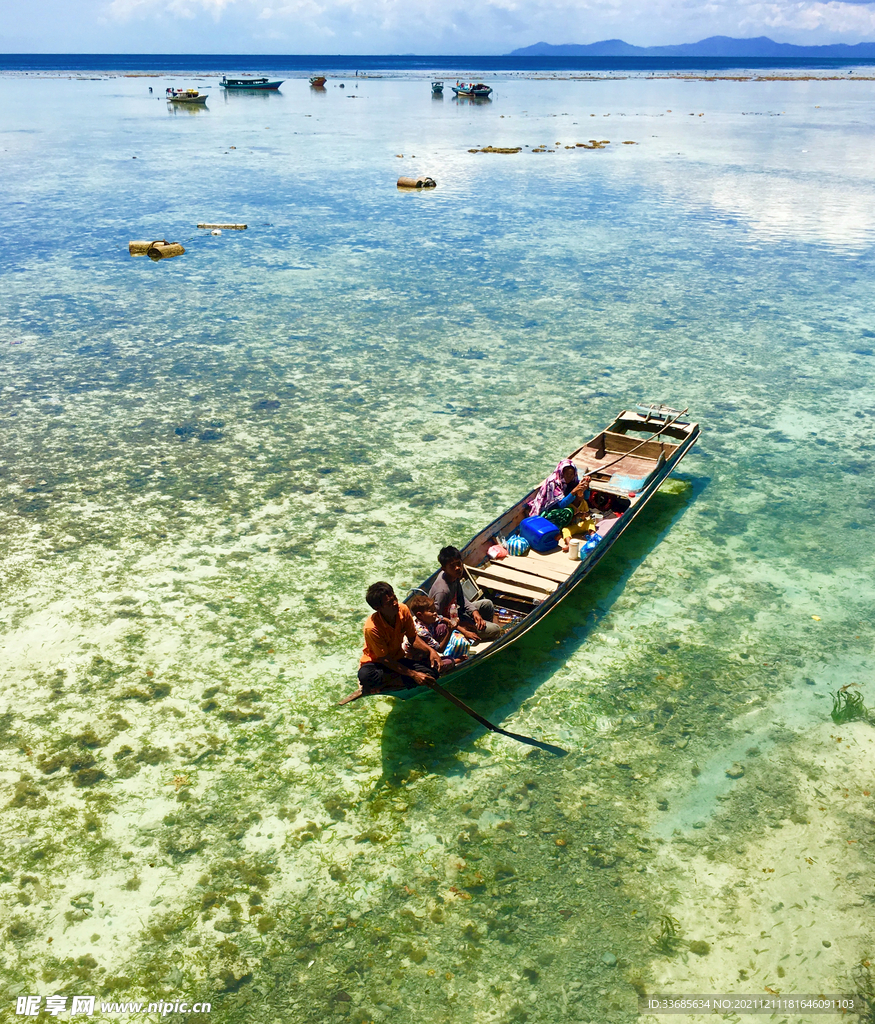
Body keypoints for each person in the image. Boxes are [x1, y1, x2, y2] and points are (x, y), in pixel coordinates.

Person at [358, 582, 441, 694]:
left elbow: (413, 638)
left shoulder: (403, 610)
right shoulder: (372, 628)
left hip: (397, 659)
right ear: (377, 608)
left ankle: (387, 683)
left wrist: (431, 650)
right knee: (365, 675)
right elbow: (384, 659)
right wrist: (414, 674)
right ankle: (397, 681)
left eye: (395, 598)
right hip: (377, 664)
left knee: (432, 673)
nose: (396, 603)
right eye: (390, 603)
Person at [428, 546, 501, 641]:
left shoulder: (454, 576)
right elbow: (436, 619)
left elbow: (461, 599)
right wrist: (463, 629)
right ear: (444, 569)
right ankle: (477, 635)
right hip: (447, 625)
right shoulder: (443, 591)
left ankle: (481, 630)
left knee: (487, 604)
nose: (457, 568)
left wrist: (474, 612)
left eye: (459, 563)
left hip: (456, 614)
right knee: (496, 629)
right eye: (452, 566)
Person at [404, 593, 467, 673]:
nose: (435, 613)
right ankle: (456, 660)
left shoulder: (430, 618)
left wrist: (460, 628)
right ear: (420, 615)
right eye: (431, 611)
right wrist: (450, 631)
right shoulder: (422, 632)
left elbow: (443, 619)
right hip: (418, 658)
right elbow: (440, 649)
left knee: (443, 627)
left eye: (434, 610)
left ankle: (436, 646)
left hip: (429, 643)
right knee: (445, 663)